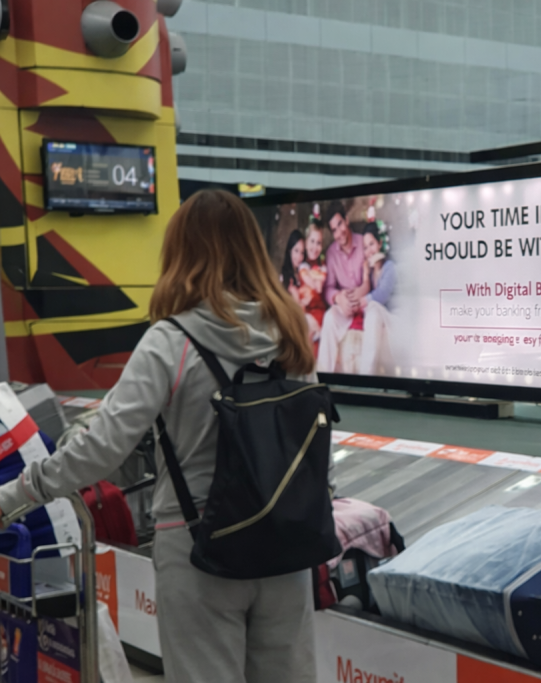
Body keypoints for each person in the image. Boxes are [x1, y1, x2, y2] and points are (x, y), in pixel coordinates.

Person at [0, 190, 318, 683]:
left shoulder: (171, 342)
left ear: (180, 254)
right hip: (287, 549)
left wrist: (17, 494)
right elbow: (314, 444)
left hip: (198, 553)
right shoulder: (290, 334)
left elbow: (101, 447)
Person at [317, 206, 368, 372]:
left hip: (365, 303)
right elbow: (328, 288)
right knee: (329, 318)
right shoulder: (331, 253)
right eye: (334, 230)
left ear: (346, 220)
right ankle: (324, 376)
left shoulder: (363, 243)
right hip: (345, 307)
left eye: (340, 224)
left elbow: (372, 281)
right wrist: (338, 297)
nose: (339, 233)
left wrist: (359, 297)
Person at [357, 224, 395, 375]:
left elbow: (382, 295)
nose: (369, 251)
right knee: (372, 311)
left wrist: (364, 301)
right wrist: (366, 275)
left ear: (380, 243)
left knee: (372, 308)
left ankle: (366, 374)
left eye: (371, 244)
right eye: (365, 247)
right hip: (380, 316)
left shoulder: (390, 267)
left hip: (393, 318)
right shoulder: (372, 271)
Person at [297, 220, 328, 347]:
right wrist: (314, 278)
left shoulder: (322, 267)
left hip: (318, 310)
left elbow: (319, 288)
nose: (315, 247)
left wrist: (315, 277)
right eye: (312, 241)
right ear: (305, 242)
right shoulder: (302, 265)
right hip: (303, 310)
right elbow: (310, 281)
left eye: (319, 243)